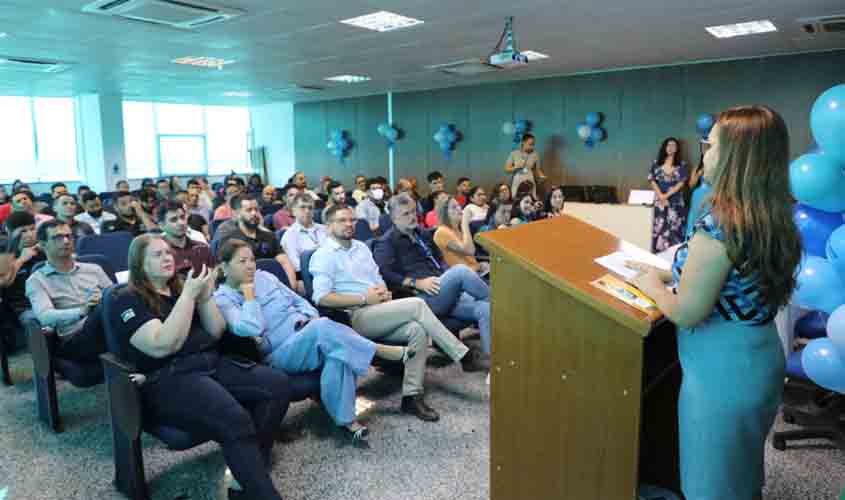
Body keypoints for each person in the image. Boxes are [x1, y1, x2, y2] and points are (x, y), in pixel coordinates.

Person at [627, 105, 801, 500]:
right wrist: (675, 272)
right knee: (739, 474)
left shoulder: (720, 224)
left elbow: (688, 311)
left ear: (735, 157)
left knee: (711, 486)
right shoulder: (770, 215)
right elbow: (733, 277)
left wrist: (652, 283)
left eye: (711, 144)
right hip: (757, 359)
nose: (704, 153)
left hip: (719, 374)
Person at [111, 234, 290, 500]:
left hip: (210, 363)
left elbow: (216, 331)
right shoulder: (126, 299)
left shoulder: (181, 287)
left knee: (277, 385)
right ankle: (261, 491)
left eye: (169, 253)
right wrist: (188, 297)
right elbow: (163, 345)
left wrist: (205, 298)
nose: (167, 258)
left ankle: (251, 470)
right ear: (139, 263)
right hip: (169, 377)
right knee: (235, 419)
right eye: (157, 255)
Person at [215, 239, 412, 443]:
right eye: (242, 261)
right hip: (280, 353)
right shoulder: (223, 299)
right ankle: (378, 351)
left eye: (252, 260)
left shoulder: (265, 277)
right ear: (224, 267)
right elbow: (251, 328)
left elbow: (299, 300)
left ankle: (346, 420)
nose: (250, 265)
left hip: (307, 332)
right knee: (325, 329)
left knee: (337, 351)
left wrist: (310, 317)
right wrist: (249, 296)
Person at [311, 205, 478, 421]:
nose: (349, 224)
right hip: (357, 316)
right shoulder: (323, 255)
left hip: (379, 307)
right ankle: (462, 355)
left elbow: (377, 277)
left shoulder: (361, 247)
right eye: (342, 220)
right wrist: (364, 299)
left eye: (352, 220)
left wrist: (384, 291)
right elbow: (321, 297)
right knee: (417, 304)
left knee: (416, 330)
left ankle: (411, 396)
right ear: (328, 227)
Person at [373, 193, 491, 364]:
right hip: (421, 298)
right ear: (393, 218)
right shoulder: (387, 242)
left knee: (485, 309)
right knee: (460, 271)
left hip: (441, 289)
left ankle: (495, 366)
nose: (412, 216)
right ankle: (506, 310)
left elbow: (439, 261)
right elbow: (385, 273)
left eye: (413, 211)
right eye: (406, 214)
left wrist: (447, 281)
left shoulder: (422, 234)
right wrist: (416, 283)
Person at [25, 220, 114, 362]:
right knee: (102, 313)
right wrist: (82, 311)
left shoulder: (94, 268)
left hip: (106, 326)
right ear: (42, 245)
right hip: (75, 339)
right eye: (58, 237)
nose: (66, 241)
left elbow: (115, 297)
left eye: (69, 236)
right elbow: (44, 316)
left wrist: (105, 299)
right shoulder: (36, 280)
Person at [212, 194, 300, 294]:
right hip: (245, 291)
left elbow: (285, 262)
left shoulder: (269, 236)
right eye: (249, 210)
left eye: (256, 209)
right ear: (237, 214)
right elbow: (222, 271)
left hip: (274, 288)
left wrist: (291, 289)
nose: (254, 213)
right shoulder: (229, 240)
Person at [1, 212, 45, 322]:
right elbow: (4, 281)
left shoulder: (43, 247)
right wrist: (21, 259)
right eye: (23, 231)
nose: (30, 234)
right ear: (10, 232)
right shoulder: (5, 250)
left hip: (49, 300)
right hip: (22, 306)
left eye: (32, 229)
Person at [648, 137, 689, 252]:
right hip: (659, 201)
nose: (671, 148)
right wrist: (661, 195)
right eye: (668, 145)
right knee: (659, 227)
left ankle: (672, 255)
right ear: (664, 147)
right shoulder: (656, 163)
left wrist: (666, 196)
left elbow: (681, 183)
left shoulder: (682, 165)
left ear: (677, 149)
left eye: (673, 145)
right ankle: (657, 254)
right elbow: (652, 180)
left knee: (674, 229)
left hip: (675, 201)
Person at [158, 201, 214, 277]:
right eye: (173, 220)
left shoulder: (202, 247)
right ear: (161, 225)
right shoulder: (158, 253)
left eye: (182, 217)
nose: (181, 223)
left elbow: (213, 277)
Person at [434, 195, 485, 275]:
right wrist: (464, 222)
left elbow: (469, 257)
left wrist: (479, 265)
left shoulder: (456, 229)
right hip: (466, 278)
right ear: (444, 213)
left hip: (475, 272)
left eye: (459, 205)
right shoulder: (442, 232)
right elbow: (470, 251)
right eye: (454, 207)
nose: (459, 208)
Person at [281, 194, 328, 273]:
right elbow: (297, 266)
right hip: (310, 275)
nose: (307, 211)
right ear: (293, 211)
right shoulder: (289, 236)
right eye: (302, 207)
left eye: (310, 208)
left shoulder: (324, 229)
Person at [504, 133, 546, 198]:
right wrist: (516, 167)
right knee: (516, 199)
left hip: (530, 180)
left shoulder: (535, 154)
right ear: (523, 142)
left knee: (531, 199)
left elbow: (538, 170)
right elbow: (506, 169)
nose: (532, 147)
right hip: (517, 181)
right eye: (530, 144)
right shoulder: (514, 153)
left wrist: (541, 176)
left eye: (533, 144)